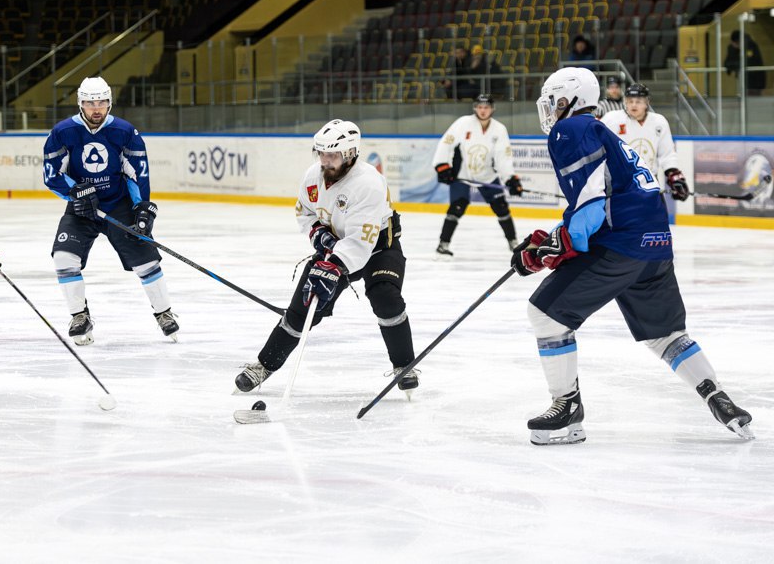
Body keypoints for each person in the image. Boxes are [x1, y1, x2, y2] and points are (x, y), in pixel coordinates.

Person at [510, 68, 752, 445]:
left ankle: (568, 411)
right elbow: (605, 195)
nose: (549, 110)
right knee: (666, 334)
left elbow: (591, 203)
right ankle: (717, 396)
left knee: (545, 313)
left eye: (553, 101)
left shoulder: (570, 130)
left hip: (621, 244)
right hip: (655, 243)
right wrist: (558, 239)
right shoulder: (603, 128)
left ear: (566, 100)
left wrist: (558, 244)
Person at [234, 119, 419, 397]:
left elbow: (360, 242)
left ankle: (404, 366)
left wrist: (332, 267)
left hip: (379, 248)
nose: (325, 160)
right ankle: (264, 365)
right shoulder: (313, 176)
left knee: (385, 298)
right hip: (334, 249)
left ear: (350, 154)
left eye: (332, 155)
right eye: (321, 153)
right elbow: (304, 212)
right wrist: (318, 234)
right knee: (304, 307)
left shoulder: (368, 183)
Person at [42, 76, 178, 345]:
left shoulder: (125, 131)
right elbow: (51, 175)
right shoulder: (63, 132)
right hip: (82, 210)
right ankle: (79, 316)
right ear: (80, 103)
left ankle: (164, 313)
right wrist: (75, 190)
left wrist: (142, 207)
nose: (96, 108)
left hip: (118, 206)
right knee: (63, 258)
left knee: (147, 261)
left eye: (102, 102)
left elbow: (139, 173)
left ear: (110, 103)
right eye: (90, 102)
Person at [433, 94, 523, 257]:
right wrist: (442, 165)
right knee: (457, 207)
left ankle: (513, 243)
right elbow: (446, 143)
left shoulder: (499, 129)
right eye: (480, 107)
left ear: (492, 109)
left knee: (501, 207)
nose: (483, 110)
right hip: (463, 174)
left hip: (487, 175)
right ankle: (443, 244)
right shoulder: (463, 123)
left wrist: (510, 178)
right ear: (475, 108)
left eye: (486, 107)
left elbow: (504, 157)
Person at [600, 83, 689, 207]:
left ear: (647, 102)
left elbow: (667, 154)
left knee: (656, 224)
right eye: (630, 101)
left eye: (638, 101)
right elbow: (598, 147)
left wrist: (674, 177)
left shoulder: (659, 122)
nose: (634, 105)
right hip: (620, 184)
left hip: (650, 182)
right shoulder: (612, 120)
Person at [725, 30, 767, 94]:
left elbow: (749, 61)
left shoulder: (750, 45)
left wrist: (734, 65)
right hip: (743, 79)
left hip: (754, 79)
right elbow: (727, 63)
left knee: (753, 97)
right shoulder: (732, 48)